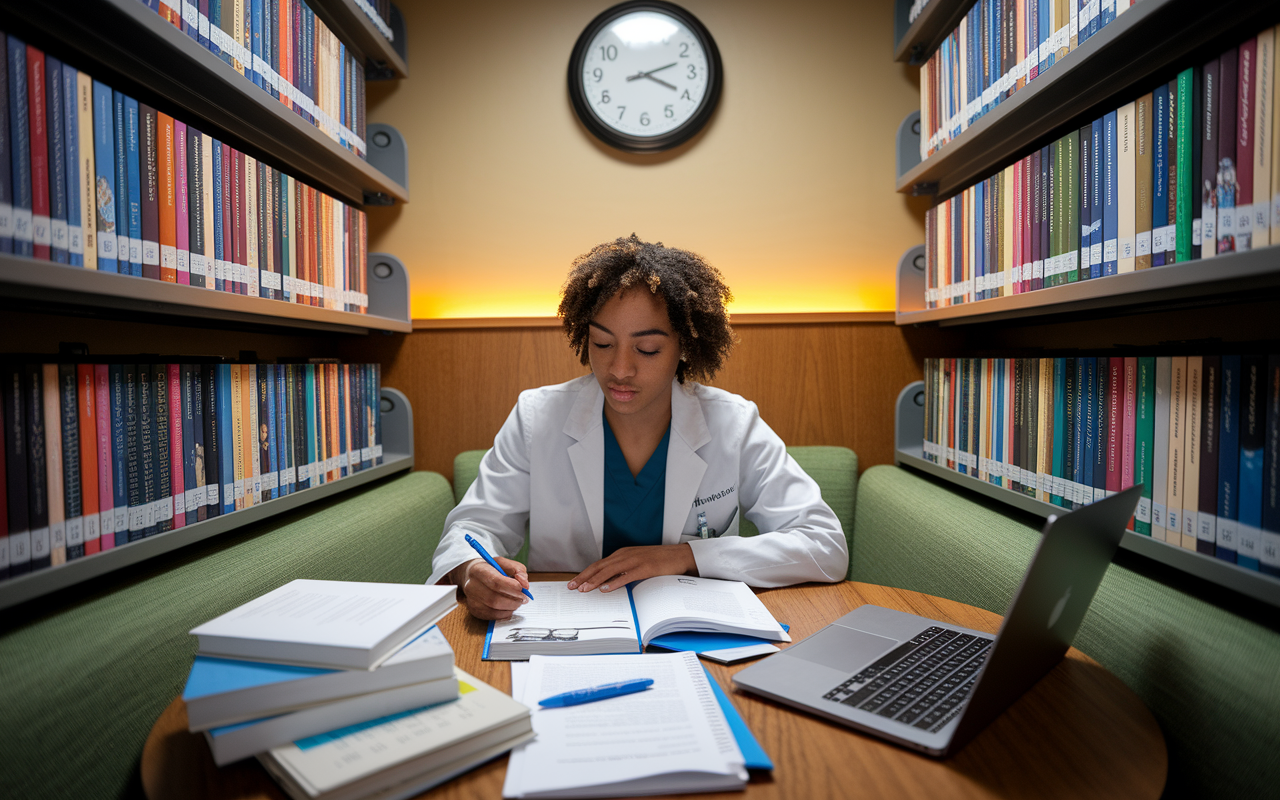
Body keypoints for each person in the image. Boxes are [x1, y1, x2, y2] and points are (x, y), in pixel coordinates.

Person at [428, 235, 848, 619]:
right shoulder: (538, 417)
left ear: (684, 347)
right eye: (602, 344)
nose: (619, 369)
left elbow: (824, 545)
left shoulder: (733, 424)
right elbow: (473, 528)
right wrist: (471, 571)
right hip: (564, 627)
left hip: (688, 634)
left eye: (647, 349)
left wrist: (685, 556)